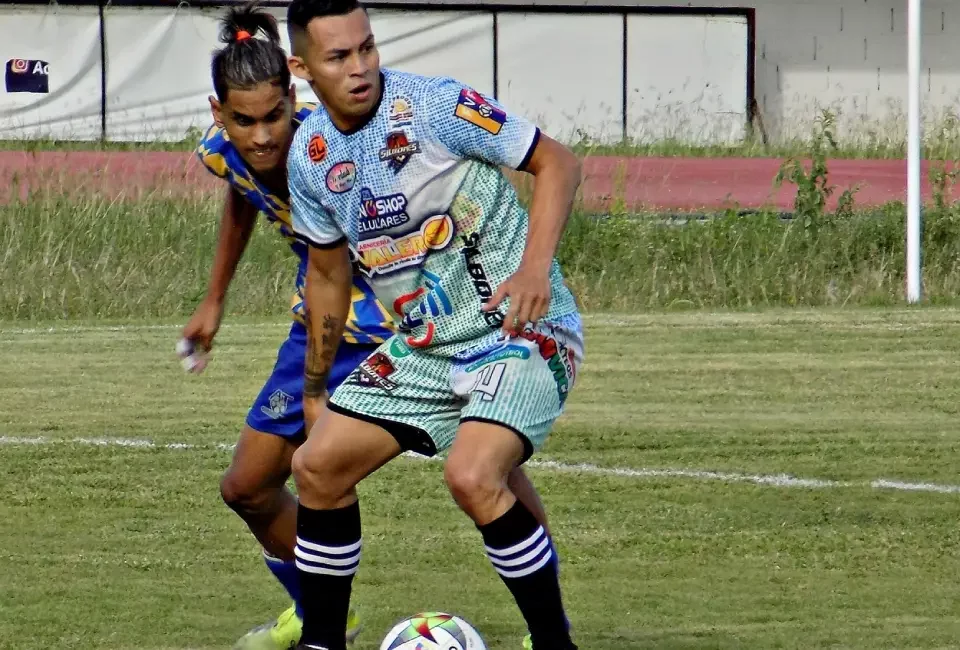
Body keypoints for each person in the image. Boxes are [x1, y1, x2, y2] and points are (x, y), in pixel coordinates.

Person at [182, 3, 561, 648]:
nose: (263, 136)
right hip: (339, 327)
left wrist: (520, 266)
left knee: (481, 467)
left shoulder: (346, 134)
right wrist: (216, 302)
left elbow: (533, 164)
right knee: (259, 483)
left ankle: (549, 630)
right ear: (221, 115)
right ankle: (318, 617)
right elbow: (253, 206)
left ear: (294, 94)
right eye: (245, 121)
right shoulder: (242, 153)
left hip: (418, 322)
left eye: (275, 116)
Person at [284, 1, 583, 648]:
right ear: (301, 68)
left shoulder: (435, 106)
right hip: (423, 351)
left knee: (472, 476)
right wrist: (314, 386)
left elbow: (557, 162)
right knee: (316, 468)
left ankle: (553, 644)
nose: (360, 66)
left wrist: (535, 267)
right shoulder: (309, 155)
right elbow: (328, 276)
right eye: (338, 56)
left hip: (519, 333)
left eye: (367, 47)